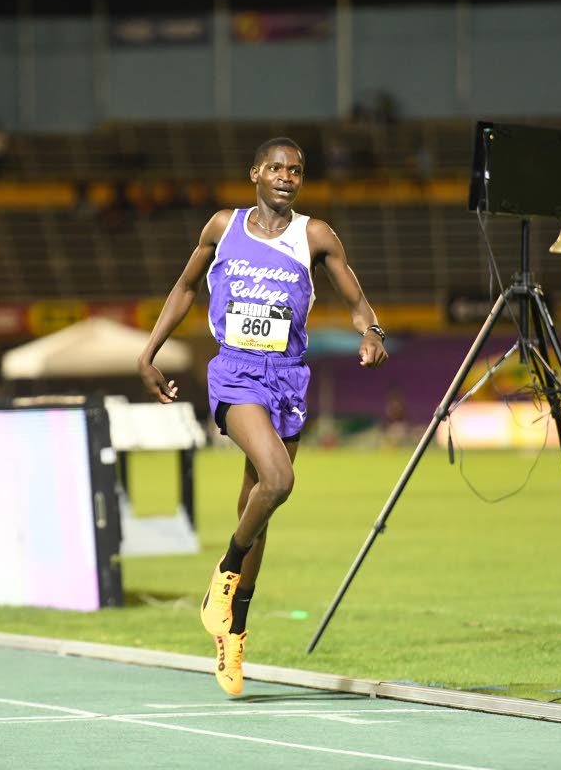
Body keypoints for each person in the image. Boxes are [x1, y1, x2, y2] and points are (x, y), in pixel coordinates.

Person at [137, 137, 388, 695]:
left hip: (289, 377)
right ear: (254, 172)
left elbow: (356, 301)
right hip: (236, 373)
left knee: (260, 504)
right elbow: (183, 289)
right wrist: (147, 352)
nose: (285, 176)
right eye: (275, 168)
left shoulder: (315, 235)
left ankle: (234, 634)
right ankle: (223, 579)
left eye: (295, 171)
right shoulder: (222, 226)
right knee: (279, 479)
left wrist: (371, 332)